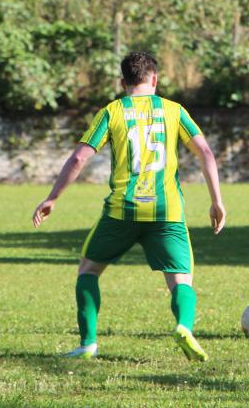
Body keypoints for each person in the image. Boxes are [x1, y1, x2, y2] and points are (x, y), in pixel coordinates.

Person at [32, 52, 226, 361]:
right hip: (167, 212)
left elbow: (80, 157)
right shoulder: (174, 111)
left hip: (122, 211)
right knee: (180, 279)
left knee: (88, 270)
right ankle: (184, 327)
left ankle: (88, 344)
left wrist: (53, 197)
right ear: (154, 79)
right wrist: (216, 200)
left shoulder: (112, 112)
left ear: (123, 82)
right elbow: (205, 152)